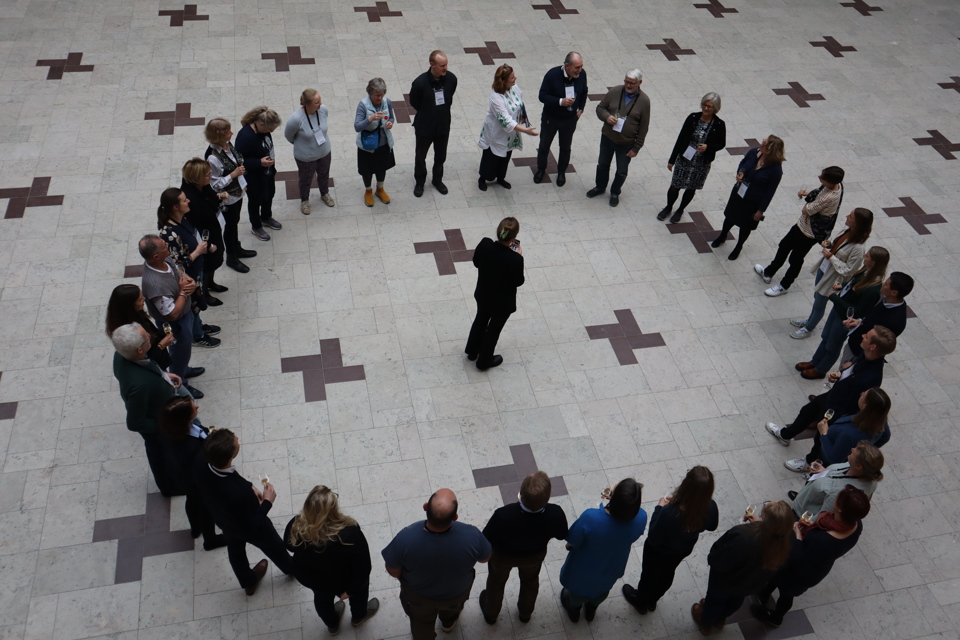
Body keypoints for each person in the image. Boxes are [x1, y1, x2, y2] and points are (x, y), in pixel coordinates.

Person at [752, 486, 871, 627]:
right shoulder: (856, 524)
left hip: (802, 571)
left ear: (840, 509)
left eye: (838, 497)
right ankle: (764, 593)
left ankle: (776, 617)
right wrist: (813, 526)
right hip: (816, 563)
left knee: (787, 592)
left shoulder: (824, 541)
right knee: (778, 575)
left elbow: (800, 559)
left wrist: (798, 536)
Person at [382, 489, 492, 640]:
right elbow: (485, 558)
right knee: (451, 612)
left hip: (418, 598)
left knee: (421, 623)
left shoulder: (405, 538)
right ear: (455, 517)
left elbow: (392, 569)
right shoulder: (472, 535)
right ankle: (448, 624)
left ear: (425, 507)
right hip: (455, 595)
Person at [194, 428, 293, 596]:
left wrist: (249, 486)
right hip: (251, 526)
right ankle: (291, 568)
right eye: (236, 441)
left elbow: (228, 476)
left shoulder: (201, 463)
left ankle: (247, 581)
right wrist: (267, 502)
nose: (238, 439)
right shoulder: (237, 494)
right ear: (231, 455)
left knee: (236, 551)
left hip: (224, 520)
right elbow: (252, 523)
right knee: (275, 547)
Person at [765, 326, 897, 449]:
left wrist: (832, 419)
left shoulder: (870, 377)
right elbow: (853, 373)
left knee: (821, 437)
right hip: (832, 396)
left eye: (866, 336)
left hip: (836, 409)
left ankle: (810, 462)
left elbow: (852, 404)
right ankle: (785, 435)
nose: (862, 335)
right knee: (807, 411)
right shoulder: (866, 354)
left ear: (873, 347)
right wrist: (841, 375)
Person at [623, 466, 718, 615]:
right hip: (681, 551)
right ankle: (652, 601)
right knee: (667, 575)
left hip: (658, 551)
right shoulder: (711, 508)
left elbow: (654, 537)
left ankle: (641, 601)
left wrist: (659, 508)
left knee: (649, 575)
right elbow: (713, 526)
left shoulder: (670, 513)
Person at [284, 486, 379, 634]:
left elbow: (288, 546)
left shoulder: (295, 527)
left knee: (322, 601)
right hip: (345, 579)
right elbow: (363, 566)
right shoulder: (350, 532)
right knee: (359, 596)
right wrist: (350, 590)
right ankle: (358, 617)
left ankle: (332, 624)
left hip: (316, 580)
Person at [691, 501, 793, 635]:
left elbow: (720, 557)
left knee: (715, 599)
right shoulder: (787, 542)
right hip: (750, 585)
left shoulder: (743, 536)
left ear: (764, 517)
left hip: (726, 581)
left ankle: (706, 623)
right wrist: (760, 525)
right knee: (735, 602)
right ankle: (721, 619)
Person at [478, 471, 568, 624]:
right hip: (534, 556)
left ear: (520, 494)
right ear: (548, 497)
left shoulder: (503, 515)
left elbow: (485, 538)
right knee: (530, 582)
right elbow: (561, 534)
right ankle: (525, 614)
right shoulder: (555, 513)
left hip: (502, 558)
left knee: (496, 583)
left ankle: (491, 614)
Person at [559, 478, 647, 623]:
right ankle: (591, 609)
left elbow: (573, 541)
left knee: (576, 590)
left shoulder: (591, 517)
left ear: (614, 499)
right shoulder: (641, 517)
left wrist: (569, 546)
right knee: (603, 589)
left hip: (584, 567)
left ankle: (574, 610)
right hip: (612, 566)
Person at [110, 323, 181, 496]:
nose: (150, 336)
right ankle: (169, 487)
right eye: (147, 338)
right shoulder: (139, 386)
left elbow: (147, 365)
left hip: (160, 411)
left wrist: (163, 376)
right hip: (158, 425)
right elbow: (135, 422)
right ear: (140, 350)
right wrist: (163, 427)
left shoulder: (122, 355)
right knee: (160, 454)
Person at [798, 245, 888, 379]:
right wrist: (842, 286)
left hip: (844, 319)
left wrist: (833, 297)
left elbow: (857, 311)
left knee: (833, 345)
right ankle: (815, 361)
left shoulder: (873, 289)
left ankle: (821, 369)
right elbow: (854, 285)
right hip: (838, 310)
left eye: (867, 255)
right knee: (825, 337)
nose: (864, 256)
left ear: (873, 263)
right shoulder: (865, 271)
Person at [754, 166, 845, 296]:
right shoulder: (837, 184)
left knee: (795, 259)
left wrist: (810, 201)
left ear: (830, 182)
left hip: (810, 233)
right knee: (784, 246)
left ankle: (784, 285)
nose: (819, 177)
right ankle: (768, 272)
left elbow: (807, 210)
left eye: (822, 177)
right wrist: (809, 193)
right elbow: (819, 193)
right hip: (801, 225)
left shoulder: (829, 198)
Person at [788, 207, 874, 339]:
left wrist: (831, 257)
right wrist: (829, 244)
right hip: (824, 269)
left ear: (857, 223)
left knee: (819, 304)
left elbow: (849, 270)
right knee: (817, 298)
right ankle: (809, 320)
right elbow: (837, 245)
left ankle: (809, 328)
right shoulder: (847, 231)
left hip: (833, 278)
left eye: (850, 217)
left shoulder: (858, 248)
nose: (846, 216)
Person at [139, 234, 205, 396]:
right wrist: (183, 292)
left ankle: (184, 368)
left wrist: (186, 279)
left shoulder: (163, 260)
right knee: (179, 351)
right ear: (156, 256)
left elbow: (178, 270)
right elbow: (172, 314)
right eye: (164, 246)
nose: (168, 245)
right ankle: (180, 380)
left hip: (185, 314)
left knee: (184, 350)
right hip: (176, 323)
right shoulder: (155, 285)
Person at [157, 188, 222, 353]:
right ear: (175, 207)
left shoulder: (183, 219)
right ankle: (197, 336)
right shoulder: (168, 234)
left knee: (197, 304)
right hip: (187, 277)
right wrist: (197, 252)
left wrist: (204, 247)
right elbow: (176, 265)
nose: (189, 201)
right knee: (192, 306)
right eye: (184, 200)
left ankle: (198, 326)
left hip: (196, 270)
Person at [156, 396, 225, 550]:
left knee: (192, 501)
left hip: (183, 478)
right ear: (184, 418)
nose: (197, 408)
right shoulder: (193, 449)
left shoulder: (169, 428)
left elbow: (197, 431)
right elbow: (205, 466)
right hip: (197, 481)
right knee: (206, 508)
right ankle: (210, 540)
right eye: (194, 408)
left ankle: (195, 528)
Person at [464, 217, 525, 371]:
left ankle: (472, 351)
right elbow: (518, 281)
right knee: (493, 329)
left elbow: (477, 262)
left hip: (483, 294)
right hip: (502, 302)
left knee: (480, 320)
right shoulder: (515, 259)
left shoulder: (485, 244)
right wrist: (518, 256)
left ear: (498, 231)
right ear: (515, 237)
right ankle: (484, 361)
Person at [711, 135, 785, 260]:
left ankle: (739, 245)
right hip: (739, 193)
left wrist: (760, 210)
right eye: (763, 142)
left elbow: (770, 192)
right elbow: (743, 164)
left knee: (745, 226)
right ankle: (722, 235)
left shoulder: (776, 171)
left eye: (765, 145)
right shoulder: (753, 152)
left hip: (753, 202)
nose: (761, 145)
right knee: (730, 216)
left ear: (772, 150)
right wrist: (740, 172)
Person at [585, 69, 651, 207]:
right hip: (608, 137)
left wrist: (637, 147)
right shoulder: (615, 91)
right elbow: (600, 108)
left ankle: (615, 192)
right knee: (602, 165)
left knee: (621, 171)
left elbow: (644, 127)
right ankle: (600, 187)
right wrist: (607, 117)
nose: (628, 85)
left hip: (626, 143)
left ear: (640, 83)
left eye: (632, 83)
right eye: (626, 82)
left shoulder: (644, 101)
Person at [786, 388, 891, 472]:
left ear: (865, 406)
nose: (861, 393)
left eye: (864, 395)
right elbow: (886, 436)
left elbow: (833, 458)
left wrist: (824, 433)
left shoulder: (851, 434)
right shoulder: (880, 420)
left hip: (826, 460)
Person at [657, 92, 725, 222]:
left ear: (715, 108)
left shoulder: (719, 124)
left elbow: (721, 143)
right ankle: (668, 207)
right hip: (685, 157)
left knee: (691, 187)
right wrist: (672, 160)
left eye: (709, 106)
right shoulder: (693, 118)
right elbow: (681, 138)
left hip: (702, 162)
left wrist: (708, 147)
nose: (706, 108)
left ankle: (681, 209)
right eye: (704, 105)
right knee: (675, 185)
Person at [205, 117, 257, 273]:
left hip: (237, 192)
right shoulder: (212, 157)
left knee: (235, 222)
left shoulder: (227, 145)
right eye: (228, 132)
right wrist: (233, 175)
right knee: (230, 226)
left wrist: (243, 184)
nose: (232, 133)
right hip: (228, 198)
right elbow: (214, 184)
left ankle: (237, 247)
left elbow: (236, 164)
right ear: (219, 135)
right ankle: (232, 256)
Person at [476, 64, 538, 191]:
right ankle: (483, 178)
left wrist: (521, 116)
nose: (515, 78)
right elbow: (506, 121)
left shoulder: (514, 87)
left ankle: (500, 177)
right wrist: (525, 131)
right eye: (512, 77)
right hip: (496, 134)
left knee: (505, 157)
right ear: (503, 81)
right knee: (491, 158)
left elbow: (520, 102)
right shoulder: (496, 98)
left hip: (510, 134)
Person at [789, 441, 883, 519]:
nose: (852, 449)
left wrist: (802, 524)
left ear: (859, 466)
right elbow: (838, 476)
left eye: (855, 452)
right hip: (809, 498)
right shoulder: (866, 473)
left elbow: (822, 517)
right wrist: (824, 472)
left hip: (805, 512)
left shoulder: (840, 493)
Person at [534, 52, 588, 187]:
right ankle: (541, 170)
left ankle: (561, 172)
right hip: (550, 119)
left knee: (565, 147)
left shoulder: (582, 75)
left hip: (569, 120)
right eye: (577, 67)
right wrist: (560, 102)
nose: (579, 70)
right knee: (544, 146)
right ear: (567, 66)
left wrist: (581, 109)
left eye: (581, 67)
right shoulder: (552, 75)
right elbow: (542, 96)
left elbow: (584, 91)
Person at [409, 50, 457, 197]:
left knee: (441, 155)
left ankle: (437, 180)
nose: (445, 68)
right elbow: (414, 102)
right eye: (442, 65)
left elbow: (449, 98)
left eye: (446, 64)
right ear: (432, 64)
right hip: (425, 127)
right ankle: (419, 182)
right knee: (420, 156)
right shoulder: (419, 83)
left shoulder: (451, 79)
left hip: (443, 126)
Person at [181, 157, 228, 304]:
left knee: (216, 259)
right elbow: (195, 227)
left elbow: (212, 199)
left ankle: (211, 283)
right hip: (204, 237)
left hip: (213, 228)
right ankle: (204, 293)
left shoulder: (204, 185)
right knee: (206, 265)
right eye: (208, 175)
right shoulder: (190, 199)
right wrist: (207, 245)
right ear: (196, 178)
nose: (211, 177)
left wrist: (219, 198)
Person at [235, 106, 282, 242]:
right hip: (253, 177)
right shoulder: (245, 136)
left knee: (269, 195)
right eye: (270, 129)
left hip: (267, 173)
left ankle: (266, 217)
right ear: (261, 124)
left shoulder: (264, 131)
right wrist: (259, 162)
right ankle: (256, 226)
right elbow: (240, 160)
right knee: (255, 201)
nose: (271, 131)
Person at [842, 272, 914, 361]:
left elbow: (878, 348)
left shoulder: (895, 322)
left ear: (894, 292)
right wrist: (860, 321)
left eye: (886, 284)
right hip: (854, 343)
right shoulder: (886, 299)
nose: (883, 284)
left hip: (858, 354)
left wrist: (855, 363)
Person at [284, 89, 335, 214]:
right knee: (306, 179)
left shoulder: (323, 110)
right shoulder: (296, 119)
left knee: (324, 175)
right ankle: (304, 200)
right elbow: (288, 135)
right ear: (307, 104)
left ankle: (324, 193)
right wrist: (303, 145)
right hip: (306, 157)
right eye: (317, 102)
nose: (320, 103)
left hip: (324, 152)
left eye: (320, 100)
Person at [105, 283, 175, 373]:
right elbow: (143, 358)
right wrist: (162, 345)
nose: (144, 299)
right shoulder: (129, 331)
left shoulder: (135, 314)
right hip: (153, 366)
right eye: (140, 299)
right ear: (129, 305)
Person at [354, 77, 396, 208]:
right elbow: (357, 126)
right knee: (367, 170)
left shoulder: (386, 102)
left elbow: (391, 117)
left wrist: (390, 123)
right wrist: (370, 119)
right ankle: (368, 190)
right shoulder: (363, 105)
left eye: (382, 95)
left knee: (381, 167)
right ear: (370, 93)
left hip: (383, 143)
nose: (379, 98)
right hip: (368, 145)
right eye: (377, 95)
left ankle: (380, 188)